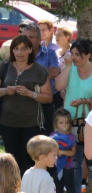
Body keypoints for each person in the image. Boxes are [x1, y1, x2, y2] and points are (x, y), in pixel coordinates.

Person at [55, 39, 92, 193]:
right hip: (69, 124)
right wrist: (67, 67)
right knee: (73, 162)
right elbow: (58, 85)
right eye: (72, 54)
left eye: (78, 55)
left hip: (90, 125)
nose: (74, 57)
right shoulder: (70, 68)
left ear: (88, 55)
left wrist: (85, 100)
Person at [0, 35, 52, 175]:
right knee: (11, 161)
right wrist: (5, 91)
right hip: (7, 122)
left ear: (30, 50)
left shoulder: (39, 70)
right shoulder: (4, 66)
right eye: (16, 49)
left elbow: (48, 98)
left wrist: (31, 94)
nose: (19, 53)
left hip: (31, 123)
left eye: (23, 49)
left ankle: (27, 192)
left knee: (28, 161)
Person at [22, 24, 59, 137]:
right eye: (24, 37)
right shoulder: (20, 54)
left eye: (31, 37)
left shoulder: (49, 53)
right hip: (25, 102)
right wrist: (42, 75)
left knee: (45, 137)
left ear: (39, 39)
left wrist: (31, 76)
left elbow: (55, 71)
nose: (26, 40)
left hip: (45, 102)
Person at [50, 108, 76, 193]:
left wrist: (62, 152)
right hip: (56, 166)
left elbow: (72, 152)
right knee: (58, 186)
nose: (64, 125)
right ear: (56, 124)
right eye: (61, 123)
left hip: (68, 167)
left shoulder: (71, 137)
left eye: (66, 122)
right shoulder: (52, 137)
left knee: (70, 187)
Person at [54, 26, 72, 110]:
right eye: (56, 35)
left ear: (67, 37)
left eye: (59, 35)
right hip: (55, 88)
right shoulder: (57, 52)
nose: (56, 37)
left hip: (66, 90)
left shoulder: (72, 53)